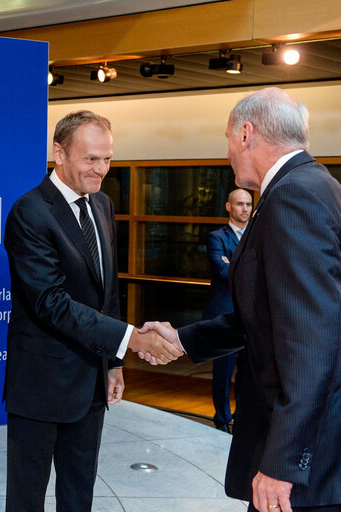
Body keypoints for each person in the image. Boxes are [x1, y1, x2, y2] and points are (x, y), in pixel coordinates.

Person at [142, 87, 341, 512]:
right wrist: (182, 340)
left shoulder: (294, 197)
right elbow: (269, 315)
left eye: (228, 137)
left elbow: (312, 340)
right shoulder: (311, 185)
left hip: (309, 464)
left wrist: (283, 463)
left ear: (246, 133)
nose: (228, 150)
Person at [3, 110, 183, 512]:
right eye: (90, 159)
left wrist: (114, 362)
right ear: (58, 153)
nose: (100, 169)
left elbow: (108, 291)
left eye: (107, 159)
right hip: (40, 384)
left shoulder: (101, 204)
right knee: (26, 498)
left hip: (91, 381)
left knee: (79, 492)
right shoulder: (29, 213)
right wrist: (132, 338)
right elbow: (51, 302)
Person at [204, 188, 252, 432]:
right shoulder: (216, 237)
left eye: (248, 204)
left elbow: (263, 270)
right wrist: (248, 268)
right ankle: (222, 419)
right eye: (240, 204)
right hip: (224, 315)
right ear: (228, 207)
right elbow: (220, 272)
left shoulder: (256, 236)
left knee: (248, 372)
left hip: (251, 316)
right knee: (222, 373)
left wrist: (232, 263)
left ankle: (242, 418)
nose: (245, 209)